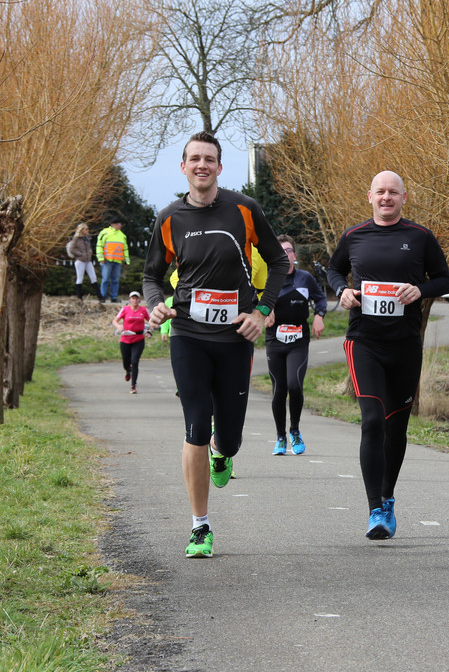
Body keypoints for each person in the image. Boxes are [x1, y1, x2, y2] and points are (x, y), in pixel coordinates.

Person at [142, 131, 288, 559]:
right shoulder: (169, 218)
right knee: (194, 426)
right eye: (194, 159)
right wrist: (154, 305)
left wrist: (261, 311)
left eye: (209, 159)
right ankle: (199, 527)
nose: (201, 165)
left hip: (235, 337)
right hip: (188, 333)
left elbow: (278, 260)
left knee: (229, 437)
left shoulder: (244, 209)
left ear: (219, 168)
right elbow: (151, 275)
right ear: (183, 167)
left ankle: (222, 453)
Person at [326, 171, 449, 541]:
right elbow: (334, 270)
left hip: (405, 344)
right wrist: (342, 290)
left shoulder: (420, 236)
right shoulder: (353, 236)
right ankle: (375, 510)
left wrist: (420, 290)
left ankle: (388, 496)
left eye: (393, 192)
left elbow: (445, 279)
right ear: (370, 196)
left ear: (403, 198)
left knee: (396, 427)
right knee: (373, 421)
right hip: (363, 342)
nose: (386, 198)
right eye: (380, 192)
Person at [264, 235, 328, 456]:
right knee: (278, 390)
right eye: (280, 251)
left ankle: (295, 430)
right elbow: (253, 300)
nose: (285, 255)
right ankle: (280, 437)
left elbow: (321, 298)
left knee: (294, 384)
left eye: (288, 250)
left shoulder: (305, 278)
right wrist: (264, 311)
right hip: (275, 340)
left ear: (294, 255)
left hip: (298, 340)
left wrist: (319, 315)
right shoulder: (268, 280)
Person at [111, 291, 151, 394]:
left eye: (136, 298)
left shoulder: (144, 310)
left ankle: (133, 386)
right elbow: (115, 321)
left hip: (138, 338)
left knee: (134, 361)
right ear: (130, 300)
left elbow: (152, 321)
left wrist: (149, 330)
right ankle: (128, 371)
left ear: (139, 300)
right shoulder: (125, 309)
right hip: (126, 338)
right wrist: (119, 326)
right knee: (126, 362)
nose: (135, 300)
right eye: (133, 298)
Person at [96, 216, 130, 303]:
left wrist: (127, 260)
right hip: (107, 260)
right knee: (105, 279)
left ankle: (113, 297)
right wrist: (100, 258)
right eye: (119, 224)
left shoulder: (122, 235)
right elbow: (99, 246)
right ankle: (103, 296)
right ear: (114, 224)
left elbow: (125, 249)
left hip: (117, 261)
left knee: (115, 280)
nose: (121, 226)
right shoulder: (105, 233)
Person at [66, 223, 102, 301]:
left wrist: (89, 253)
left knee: (93, 277)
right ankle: (79, 297)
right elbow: (72, 249)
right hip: (80, 260)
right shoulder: (76, 239)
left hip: (88, 260)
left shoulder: (87, 238)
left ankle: (100, 296)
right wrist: (80, 254)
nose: (88, 230)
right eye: (86, 229)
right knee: (80, 278)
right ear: (81, 230)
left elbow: (89, 248)